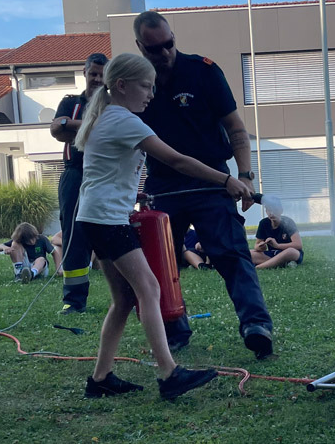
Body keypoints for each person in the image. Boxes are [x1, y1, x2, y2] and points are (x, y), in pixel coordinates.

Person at [74, 52, 239, 401]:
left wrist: (132, 194)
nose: (151, 94)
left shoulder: (107, 115)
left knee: (123, 300)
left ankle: (100, 378)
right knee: (149, 289)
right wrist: (226, 180)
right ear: (122, 85)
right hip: (106, 220)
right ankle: (169, 373)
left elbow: (107, 172)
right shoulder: (124, 120)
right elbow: (177, 160)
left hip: (94, 217)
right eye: (146, 86)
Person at [134, 10, 273, 359]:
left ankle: (256, 325)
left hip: (213, 182)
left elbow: (236, 128)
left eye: (168, 44)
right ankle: (173, 329)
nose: (164, 53)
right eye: (154, 49)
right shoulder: (136, 83)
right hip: (164, 186)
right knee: (160, 263)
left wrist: (245, 175)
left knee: (231, 253)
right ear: (140, 47)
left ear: (173, 38)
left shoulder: (204, 71)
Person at [50, 53, 108, 315]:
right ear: (84, 73)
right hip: (74, 174)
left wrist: (71, 126)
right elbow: (56, 130)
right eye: (93, 73)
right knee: (73, 235)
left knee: (112, 230)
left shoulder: (113, 103)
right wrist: (86, 125)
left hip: (105, 175)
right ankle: (74, 301)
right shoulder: (70, 102)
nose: (97, 79)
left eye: (101, 75)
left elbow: (107, 128)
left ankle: (127, 296)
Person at [252, 199, 303, 269]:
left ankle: (259, 267)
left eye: (274, 210)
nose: (271, 213)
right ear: (266, 211)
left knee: (291, 252)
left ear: (281, 211)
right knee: (249, 253)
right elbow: (257, 245)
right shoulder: (263, 223)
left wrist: (277, 245)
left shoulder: (288, 222)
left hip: (289, 253)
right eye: (269, 210)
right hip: (273, 254)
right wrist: (261, 246)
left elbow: (298, 245)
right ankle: (280, 263)